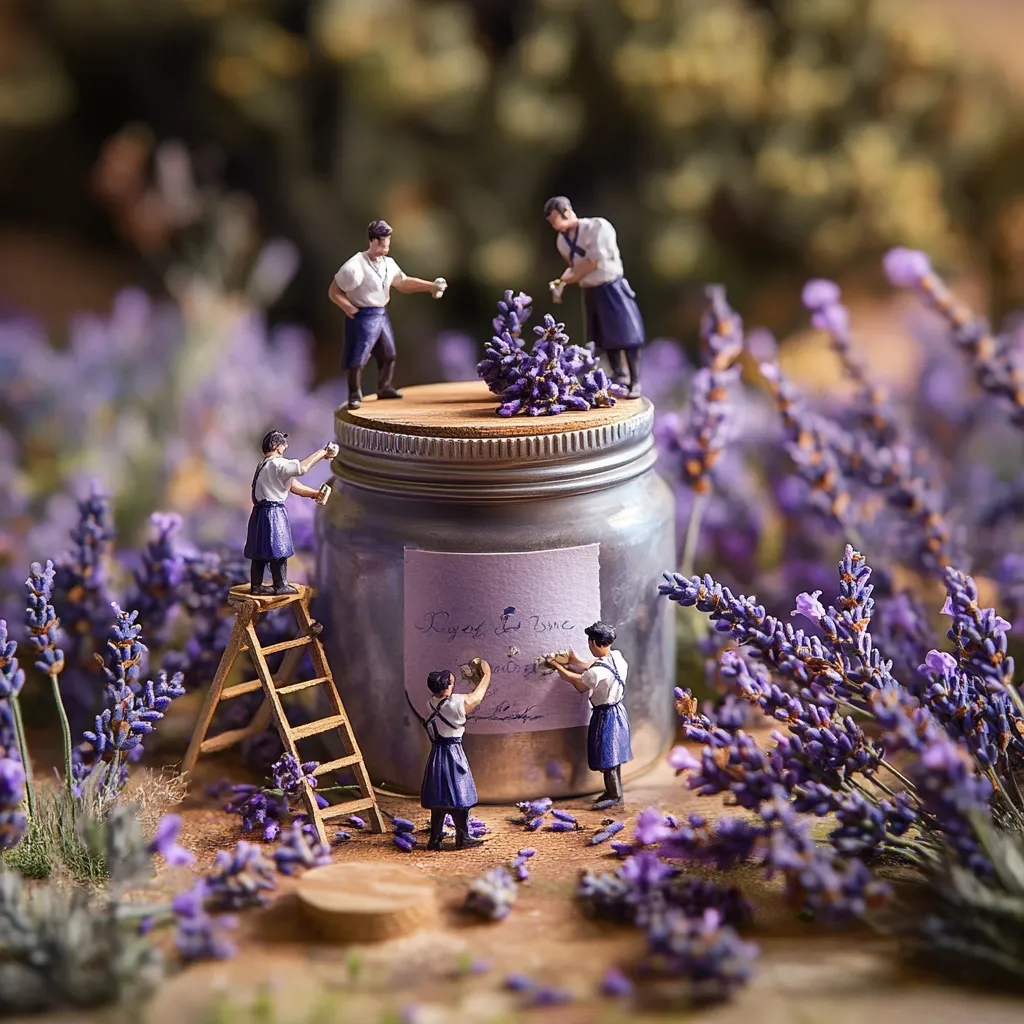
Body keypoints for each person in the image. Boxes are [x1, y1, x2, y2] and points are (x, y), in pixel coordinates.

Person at [328, 219, 447, 410]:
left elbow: (403, 283)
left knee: (388, 353)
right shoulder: (355, 266)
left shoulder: (388, 264)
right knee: (358, 357)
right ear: (372, 241)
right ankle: (353, 393)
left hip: (381, 314)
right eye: (382, 244)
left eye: (388, 244)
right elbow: (334, 291)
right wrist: (349, 308)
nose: (385, 248)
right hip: (363, 315)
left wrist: (430, 286)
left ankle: (384, 387)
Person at [543, 196, 645, 399]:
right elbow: (575, 267)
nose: (555, 225)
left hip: (611, 287)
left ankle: (635, 381)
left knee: (626, 335)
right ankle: (619, 375)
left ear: (568, 212)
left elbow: (592, 263)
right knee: (604, 338)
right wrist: (562, 282)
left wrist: (569, 279)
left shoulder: (598, 227)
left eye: (556, 219)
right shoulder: (562, 240)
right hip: (590, 290)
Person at [547, 621, 632, 809]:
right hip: (618, 712)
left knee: (607, 757)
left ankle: (615, 796)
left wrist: (557, 666)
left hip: (605, 716)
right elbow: (594, 666)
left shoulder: (596, 673)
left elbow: (578, 682)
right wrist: (575, 662)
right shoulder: (617, 657)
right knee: (613, 757)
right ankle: (613, 791)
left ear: (594, 643)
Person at [245, 430, 337, 595]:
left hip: (260, 513)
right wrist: (323, 452)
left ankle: (257, 586)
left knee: (260, 551)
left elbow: (294, 486)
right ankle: (280, 585)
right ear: (276, 446)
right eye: (283, 446)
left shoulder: (264, 466)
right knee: (279, 550)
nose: (284, 449)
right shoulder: (278, 464)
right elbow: (302, 468)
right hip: (273, 512)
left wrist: (315, 494)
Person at [419, 660, 491, 850]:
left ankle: (434, 840)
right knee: (460, 797)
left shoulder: (429, 704)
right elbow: (476, 698)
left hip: (437, 753)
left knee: (439, 798)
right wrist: (486, 676)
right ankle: (463, 837)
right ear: (447, 686)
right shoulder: (456, 703)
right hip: (453, 752)